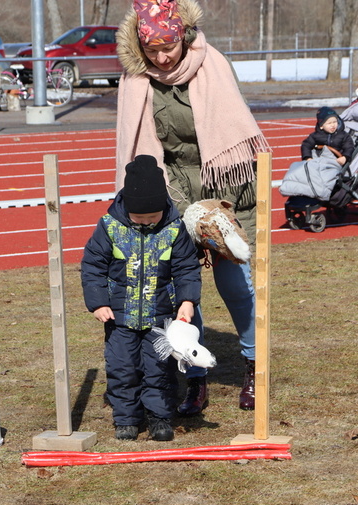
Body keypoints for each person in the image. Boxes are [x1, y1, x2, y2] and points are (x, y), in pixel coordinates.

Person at [115, 0, 270, 414]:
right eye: (153, 51)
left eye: (168, 47)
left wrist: (216, 210)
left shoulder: (213, 64)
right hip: (172, 191)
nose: (162, 58)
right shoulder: (135, 81)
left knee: (236, 286)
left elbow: (234, 137)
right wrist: (184, 209)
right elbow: (146, 157)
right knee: (183, 292)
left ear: (182, 35)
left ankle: (255, 367)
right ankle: (195, 379)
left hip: (227, 184)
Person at [81, 154, 201, 441]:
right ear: (128, 209)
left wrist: (187, 300)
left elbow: (186, 267)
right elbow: (93, 265)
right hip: (120, 317)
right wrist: (98, 302)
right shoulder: (110, 227)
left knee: (159, 369)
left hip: (160, 315)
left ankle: (159, 417)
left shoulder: (173, 229)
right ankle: (126, 419)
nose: (147, 222)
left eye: (153, 217)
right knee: (123, 369)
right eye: (140, 217)